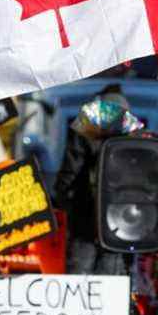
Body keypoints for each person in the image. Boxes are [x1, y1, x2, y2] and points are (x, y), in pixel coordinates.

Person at [54, 85, 137, 275]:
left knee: (80, 274)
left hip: (84, 212)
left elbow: (71, 169)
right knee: (113, 272)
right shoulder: (131, 130)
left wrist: (62, 199)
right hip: (122, 216)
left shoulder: (87, 125)